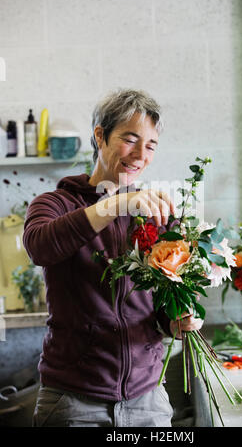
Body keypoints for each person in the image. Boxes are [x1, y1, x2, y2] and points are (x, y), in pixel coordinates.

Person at [23, 89, 203, 427]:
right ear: (100, 135)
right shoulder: (55, 204)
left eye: (150, 146)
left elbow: (164, 303)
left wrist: (176, 321)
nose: (140, 155)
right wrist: (117, 202)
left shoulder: (157, 215)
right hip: (74, 402)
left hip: (147, 400)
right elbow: (39, 247)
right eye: (130, 139)